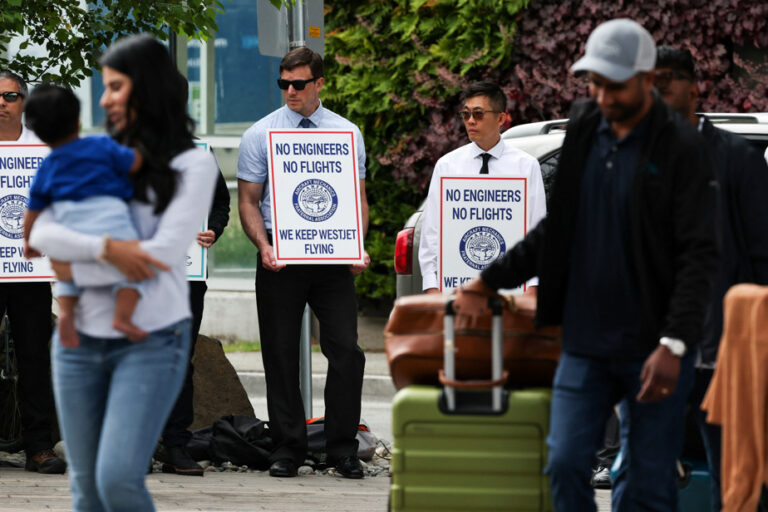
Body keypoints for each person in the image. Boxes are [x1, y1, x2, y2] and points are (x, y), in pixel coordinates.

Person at [453, 19, 719, 511]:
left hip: (654, 345)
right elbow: (558, 231)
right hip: (585, 340)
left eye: (613, 84)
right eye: (594, 82)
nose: (602, 95)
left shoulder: (682, 146)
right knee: (565, 463)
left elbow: (699, 256)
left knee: (647, 483)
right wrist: (486, 282)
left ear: (646, 79)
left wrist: (675, 343)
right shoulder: (584, 128)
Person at [27, 34, 217, 511]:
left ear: (147, 88)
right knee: (86, 489)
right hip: (77, 341)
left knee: (116, 481)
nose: (105, 97)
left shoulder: (193, 163)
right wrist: (105, 246)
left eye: (114, 86)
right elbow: (39, 232)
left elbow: (159, 253)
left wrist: (78, 244)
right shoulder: (94, 151)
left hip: (150, 339)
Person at [238, 47, 369, 479]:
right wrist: (263, 245)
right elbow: (248, 201)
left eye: (298, 84)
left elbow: (357, 200)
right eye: (283, 84)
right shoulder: (261, 133)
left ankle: (342, 448)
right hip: (280, 253)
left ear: (319, 84)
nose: (290, 91)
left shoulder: (347, 133)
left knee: (346, 350)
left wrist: (357, 245)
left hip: (333, 255)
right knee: (278, 352)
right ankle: (287, 448)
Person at [655, 45, 768, 511]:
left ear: (694, 85)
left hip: (720, 355)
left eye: (672, 77)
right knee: (644, 478)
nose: (661, 87)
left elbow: (762, 257)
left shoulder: (737, 158)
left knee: (734, 481)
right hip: (653, 353)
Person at [23, 84, 146, 348]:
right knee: (131, 273)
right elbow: (135, 163)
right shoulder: (102, 145)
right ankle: (123, 317)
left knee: (66, 274)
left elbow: (32, 211)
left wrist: (28, 242)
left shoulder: (48, 165)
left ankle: (67, 314)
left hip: (69, 224)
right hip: (112, 219)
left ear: (40, 134)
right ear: (78, 121)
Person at [418, 81, 546, 293]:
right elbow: (432, 232)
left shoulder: (526, 165)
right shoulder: (447, 166)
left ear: (501, 118)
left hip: (511, 292)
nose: (470, 121)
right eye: (466, 114)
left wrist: (532, 287)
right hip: (454, 291)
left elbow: (536, 227)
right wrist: (431, 286)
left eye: (478, 114)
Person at [0, 71, 65, 474]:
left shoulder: (45, 150)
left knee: (33, 358)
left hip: (30, 270)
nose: (1, 102)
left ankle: (38, 447)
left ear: (23, 101)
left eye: (9, 95)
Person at [155, 168, 230, 476]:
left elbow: (220, 202)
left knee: (180, 359)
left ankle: (175, 445)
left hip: (187, 274)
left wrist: (212, 228)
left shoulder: (199, 153)